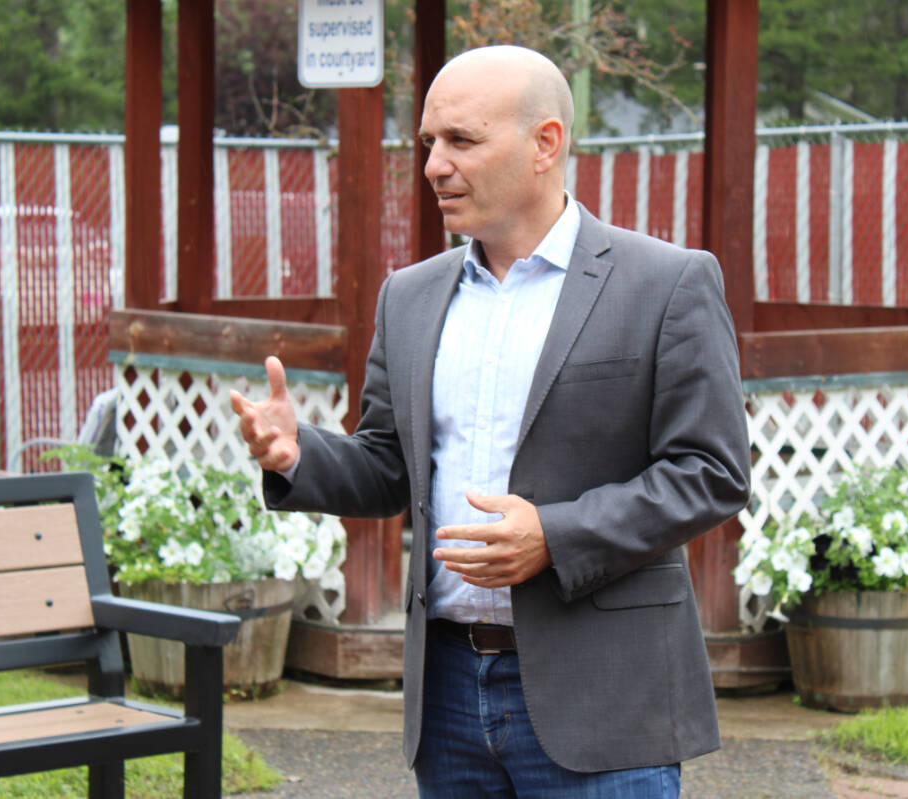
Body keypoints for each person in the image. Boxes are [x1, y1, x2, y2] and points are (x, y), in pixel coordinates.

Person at [231, 45, 751, 799]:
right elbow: (388, 466)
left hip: (603, 696)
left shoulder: (667, 283)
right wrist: (293, 455)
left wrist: (555, 536)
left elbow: (712, 472)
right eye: (428, 144)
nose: (435, 165)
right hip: (445, 695)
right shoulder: (408, 297)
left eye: (461, 141)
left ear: (546, 144)